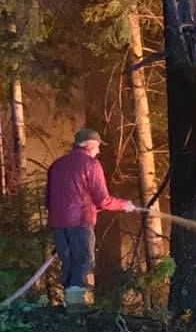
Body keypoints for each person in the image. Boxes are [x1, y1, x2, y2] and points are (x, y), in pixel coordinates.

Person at [45, 128, 137, 307]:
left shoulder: (56, 165)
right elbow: (103, 200)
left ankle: (70, 304)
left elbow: (48, 199)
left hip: (57, 222)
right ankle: (76, 307)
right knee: (83, 260)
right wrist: (124, 205)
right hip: (80, 221)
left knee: (69, 261)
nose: (99, 151)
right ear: (90, 145)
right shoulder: (91, 164)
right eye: (97, 147)